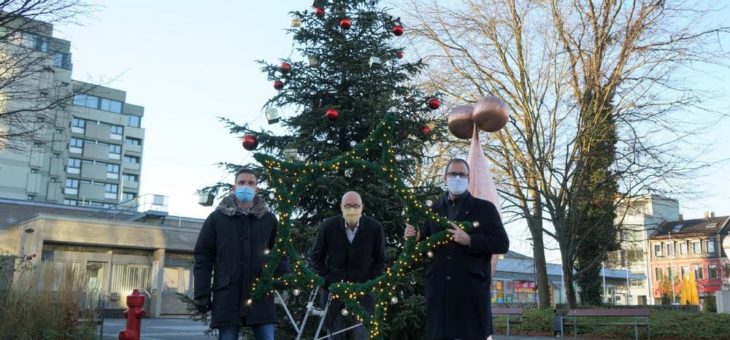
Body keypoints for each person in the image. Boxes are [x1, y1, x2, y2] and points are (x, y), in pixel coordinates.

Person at [404, 158, 509, 340]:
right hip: (440, 294)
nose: (457, 178)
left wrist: (470, 240)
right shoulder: (433, 210)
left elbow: (502, 243)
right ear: (445, 178)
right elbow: (423, 247)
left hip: (470, 294)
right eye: (453, 174)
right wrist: (415, 238)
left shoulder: (485, 209)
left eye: (462, 174)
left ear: (468, 179)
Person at [193, 168, 285, 340]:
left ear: (257, 188)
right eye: (242, 182)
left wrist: (281, 277)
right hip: (228, 295)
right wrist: (202, 293)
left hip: (260, 294)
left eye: (251, 183)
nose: (246, 186)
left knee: (266, 336)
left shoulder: (268, 219)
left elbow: (280, 253)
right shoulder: (216, 219)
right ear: (234, 187)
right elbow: (203, 257)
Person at [309, 191, 386, 340]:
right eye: (348, 206)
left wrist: (369, 281)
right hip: (333, 289)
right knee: (334, 334)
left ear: (362, 207)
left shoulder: (375, 228)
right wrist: (327, 279)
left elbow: (380, 260)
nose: (352, 209)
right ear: (341, 207)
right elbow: (315, 257)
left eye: (356, 206)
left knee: (363, 333)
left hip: (364, 289)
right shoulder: (328, 226)